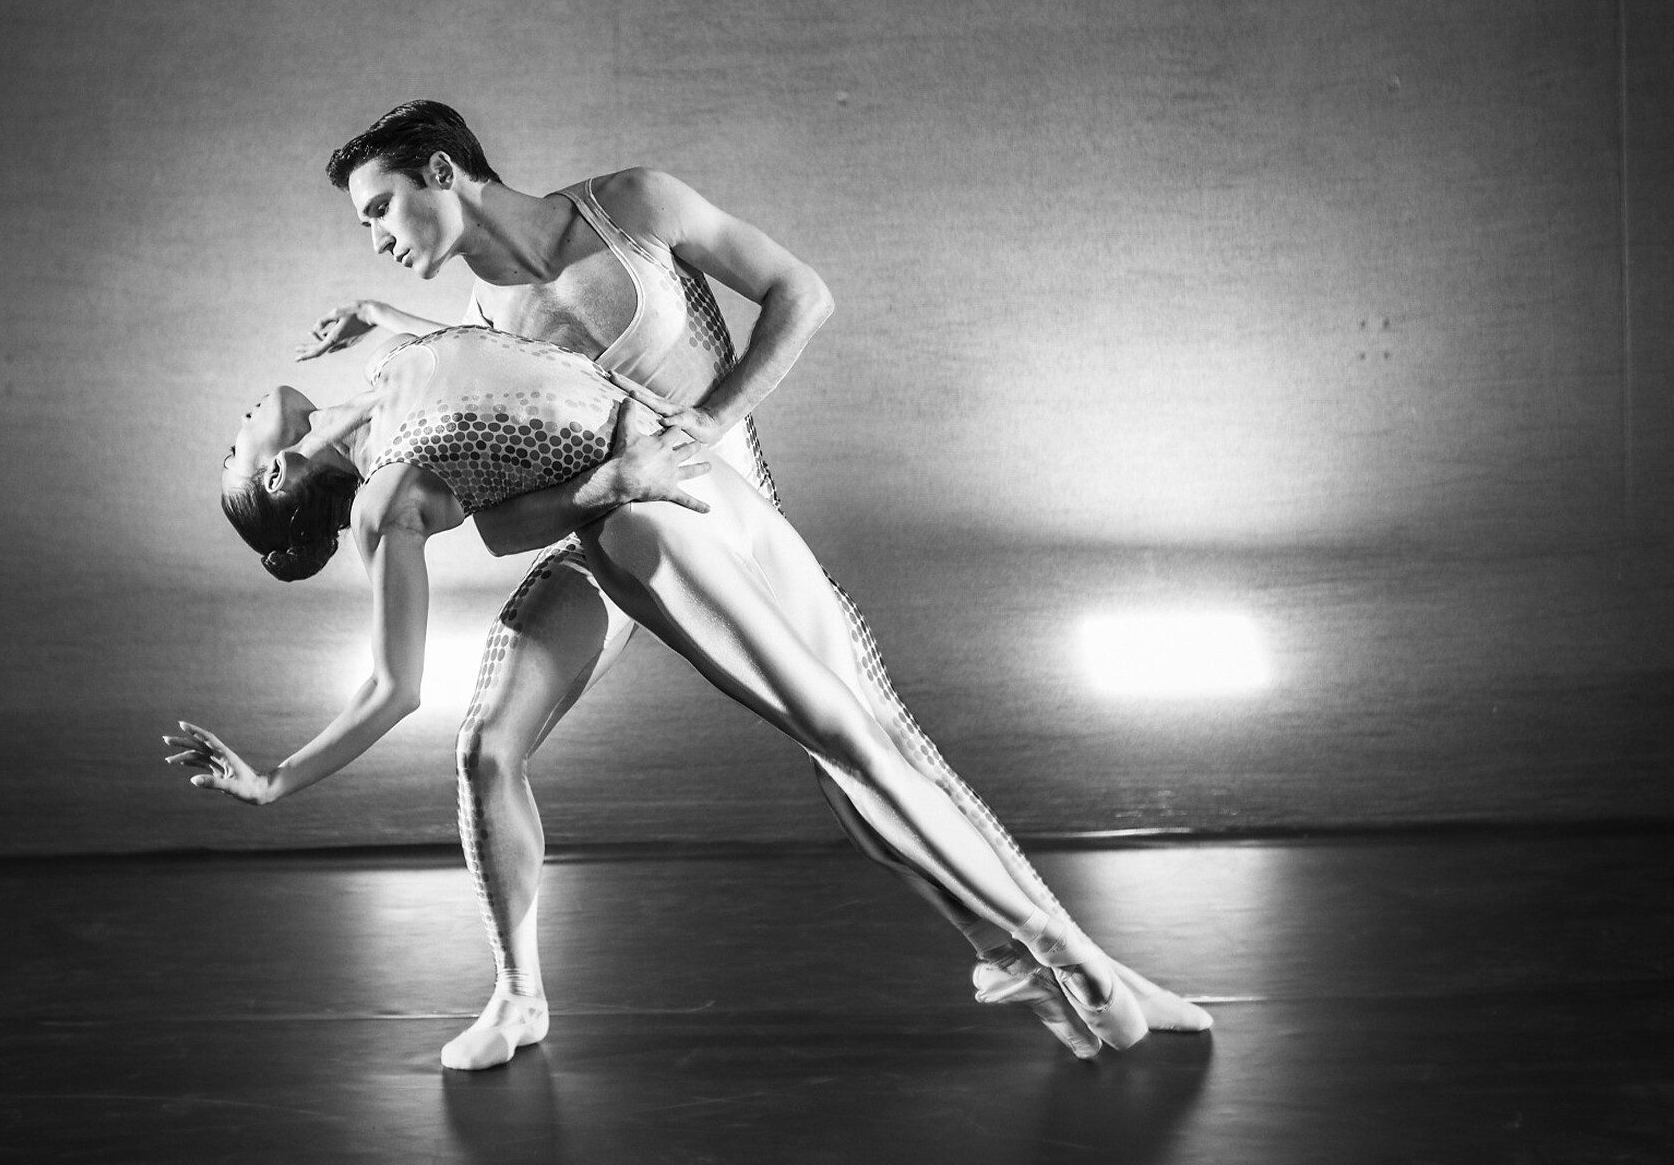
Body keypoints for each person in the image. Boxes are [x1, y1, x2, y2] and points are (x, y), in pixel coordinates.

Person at [291, 103, 1209, 1067]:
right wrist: (393, 329)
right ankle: (518, 1000)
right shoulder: (485, 320)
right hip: (609, 528)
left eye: (379, 209)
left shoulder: (628, 207)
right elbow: (501, 448)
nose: (376, 237)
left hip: (717, 513)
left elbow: (800, 295)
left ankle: (1076, 964)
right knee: (487, 743)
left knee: (865, 749)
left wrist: (703, 425)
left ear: (443, 171)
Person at [174, 326, 1211, 1070]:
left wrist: (383, 318)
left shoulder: (381, 367)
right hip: (634, 519)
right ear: (277, 482)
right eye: (234, 455)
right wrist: (275, 783)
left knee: (868, 742)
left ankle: (1051, 960)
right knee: (841, 744)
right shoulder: (382, 503)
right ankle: (1066, 960)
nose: (235, 427)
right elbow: (398, 681)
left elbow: (483, 373)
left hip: (701, 477)